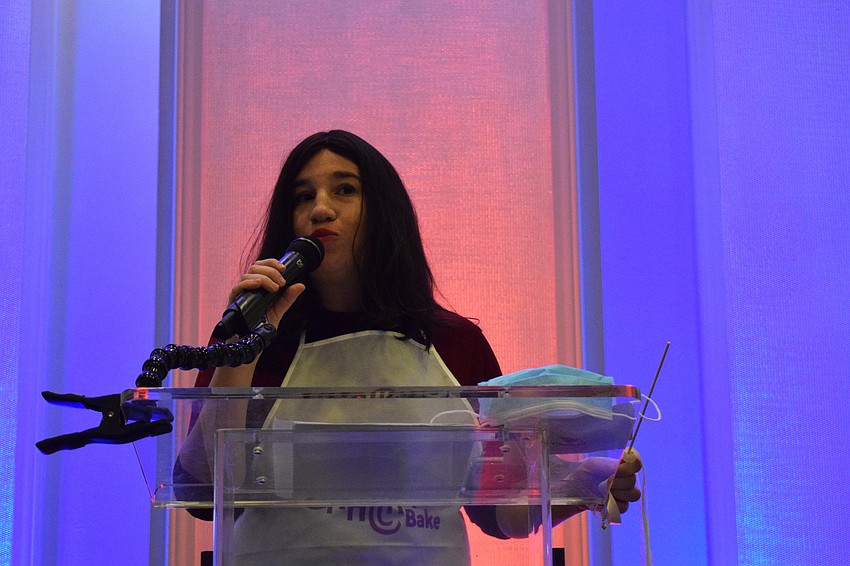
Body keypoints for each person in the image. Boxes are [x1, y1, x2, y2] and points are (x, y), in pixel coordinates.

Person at [190, 130, 642, 564]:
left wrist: (581, 484)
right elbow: (202, 494)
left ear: (385, 211)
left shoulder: (457, 343)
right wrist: (240, 349)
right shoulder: (249, 337)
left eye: (345, 190)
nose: (320, 210)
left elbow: (495, 509)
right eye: (302, 197)